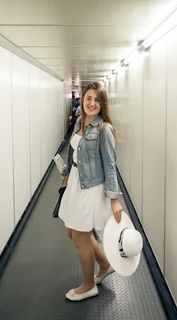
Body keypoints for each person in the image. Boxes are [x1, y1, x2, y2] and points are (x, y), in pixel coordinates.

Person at [58, 81, 122, 301]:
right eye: (88, 98)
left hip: (91, 187)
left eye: (97, 100)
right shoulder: (78, 121)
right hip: (76, 181)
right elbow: (74, 151)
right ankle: (104, 265)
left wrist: (114, 199)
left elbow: (110, 166)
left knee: (80, 237)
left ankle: (88, 286)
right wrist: (67, 172)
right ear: (82, 99)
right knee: (71, 231)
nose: (92, 103)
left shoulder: (104, 130)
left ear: (102, 104)